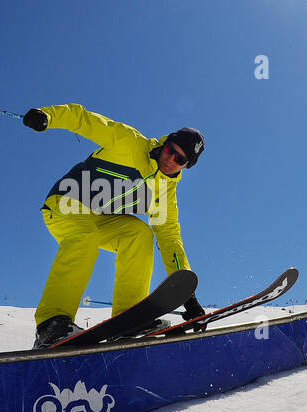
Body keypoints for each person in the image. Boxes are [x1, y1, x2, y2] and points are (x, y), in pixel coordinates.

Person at [24, 104, 206, 347]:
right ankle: (51, 323)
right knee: (85, 236)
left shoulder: (165, 192)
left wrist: (187, 293)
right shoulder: (129, 142)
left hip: (98, 218)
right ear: (166, 143)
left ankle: (128, 317)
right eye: (171, 150)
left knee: (140, 234)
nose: (171, 159)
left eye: (180, 159)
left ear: (186, 166)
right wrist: (48, 116)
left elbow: (169, 236)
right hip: (65, 203)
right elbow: (83, 119)